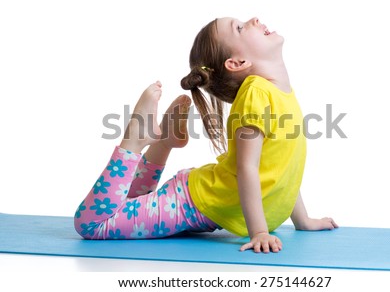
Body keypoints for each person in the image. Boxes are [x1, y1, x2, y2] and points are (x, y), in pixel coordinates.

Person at [74, 17, 338, 253]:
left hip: (205, 197)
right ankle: (134, 142)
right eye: (240, 27)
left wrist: (303, 221)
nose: (254, 19)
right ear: (237, 63)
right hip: (190, 202)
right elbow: (248, 169)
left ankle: (164, 141)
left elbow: (283, 168)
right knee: (93, 224)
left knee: (126, 203)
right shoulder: (257, 94)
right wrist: (259, 232)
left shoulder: (281, 93)